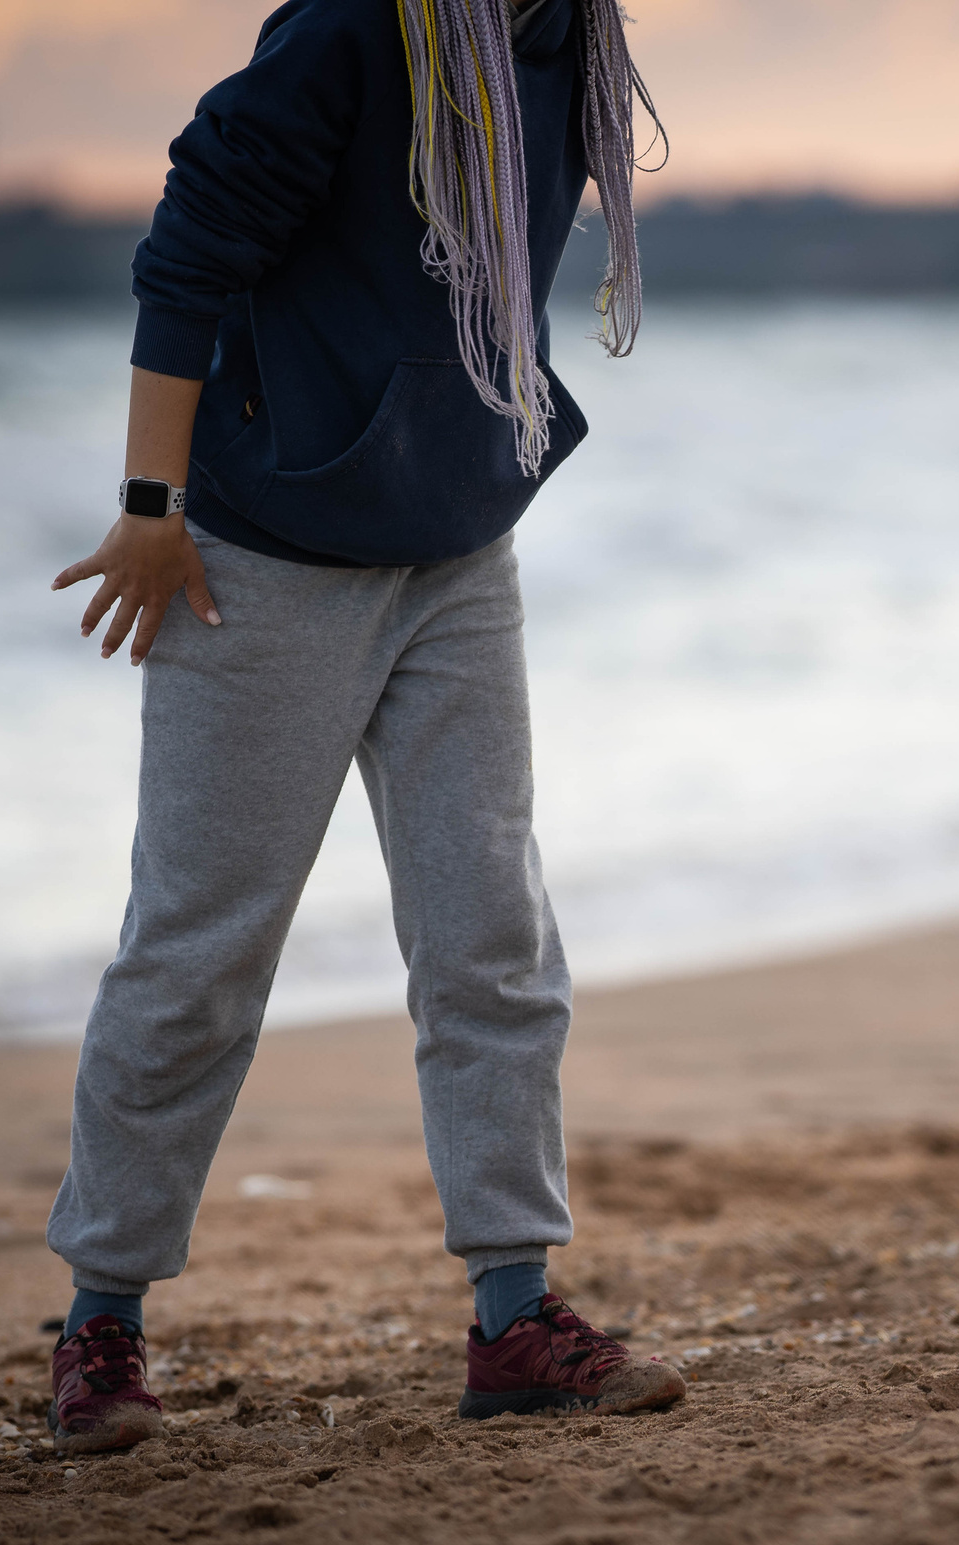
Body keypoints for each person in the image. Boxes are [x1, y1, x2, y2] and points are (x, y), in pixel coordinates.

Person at [42, 0, 679, 1454]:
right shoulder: (347, 30)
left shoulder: (567, 41)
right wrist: (152, 507)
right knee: (199, 950)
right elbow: (189, 249)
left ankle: (514, 1317)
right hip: (260, 560)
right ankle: (101, 1327)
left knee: (491, 939)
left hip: (459, 552)